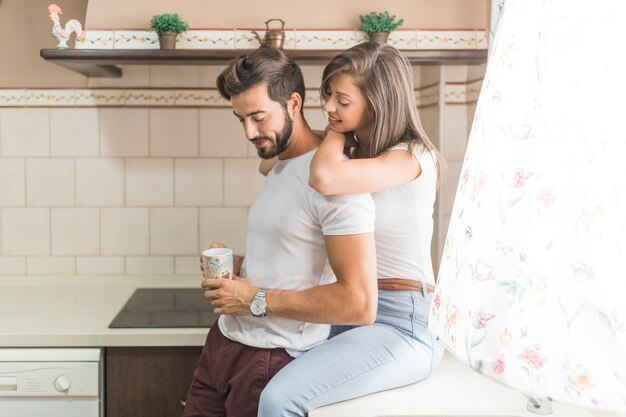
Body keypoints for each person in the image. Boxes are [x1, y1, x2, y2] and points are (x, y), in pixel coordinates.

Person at [181, 46, 378, 417]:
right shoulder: (280, 167)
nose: (249, 132)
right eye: (240, 119)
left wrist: (255, 297)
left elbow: (359, 303)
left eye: (257, 117)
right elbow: (292, 255)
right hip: (223, 344)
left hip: (269, 361)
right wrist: (240, 267)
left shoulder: (333, 180)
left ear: (293, 103)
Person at [254, 41, 447, 416]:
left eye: (342, 102)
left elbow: (324, 176)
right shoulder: (358, 155)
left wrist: (334, 135)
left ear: (377, 102)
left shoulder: (412, 158)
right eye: (328, 96)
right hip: (350, 310)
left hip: (404, 323)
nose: (328, 108)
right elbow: (272, 168)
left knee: (278, 400)